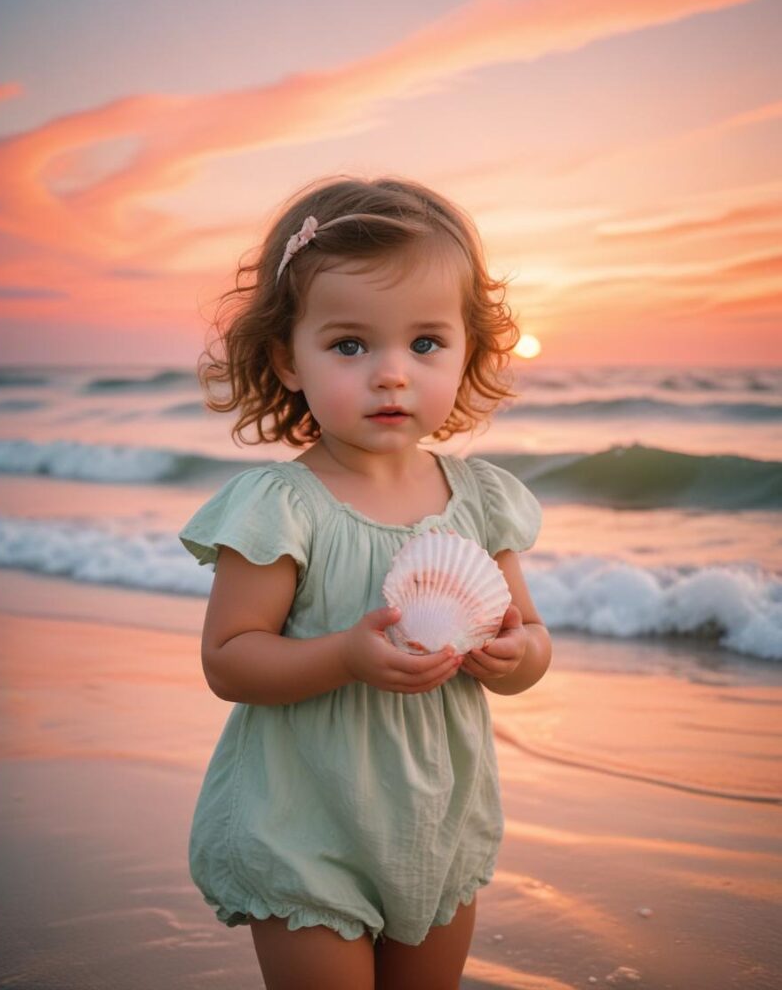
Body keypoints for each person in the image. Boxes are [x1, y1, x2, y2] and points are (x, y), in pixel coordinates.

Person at [178, 174, 552, 990]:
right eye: (350, 345)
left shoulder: (481, 501)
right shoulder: (282, 506)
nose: (391, 373)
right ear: (287, 356)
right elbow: (229, 660)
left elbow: (529, 636)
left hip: (436, 824)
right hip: (304, 824)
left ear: (469, 351)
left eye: (425, 344)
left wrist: (516, 657)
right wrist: (345, 656)